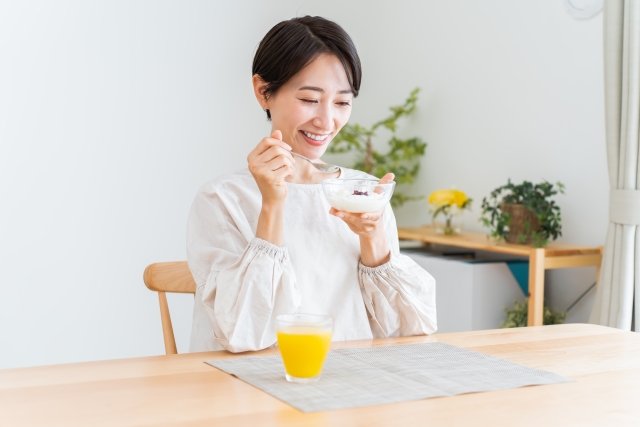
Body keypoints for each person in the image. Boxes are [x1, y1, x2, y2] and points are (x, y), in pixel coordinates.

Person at [187, 16, 436, 353]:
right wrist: (273, 203)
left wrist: (372, 238)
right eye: (308, 99)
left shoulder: (362, 192)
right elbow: (241, 332)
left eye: (342, 102)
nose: (327, 121)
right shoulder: (222, 199)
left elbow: (409, 331)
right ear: (264, 92)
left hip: (348, 386)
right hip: (249, 389)